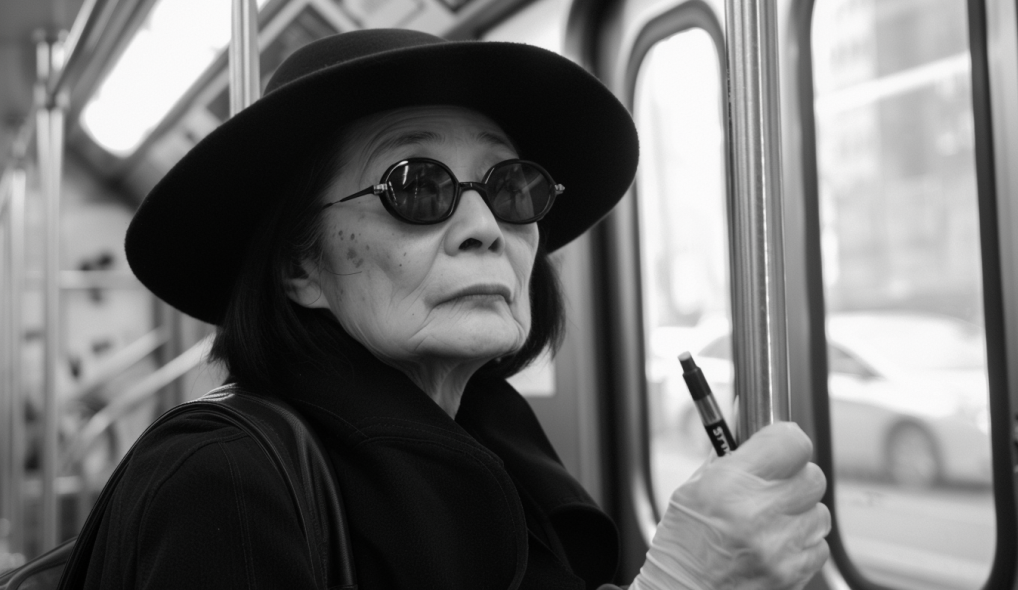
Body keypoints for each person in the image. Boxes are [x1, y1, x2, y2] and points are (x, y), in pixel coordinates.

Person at [93, 29, 830, 589]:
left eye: (512, 186)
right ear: (299, 266)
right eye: (416, 187)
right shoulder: (221, 481)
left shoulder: (504, 454)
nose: (486, 227)